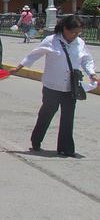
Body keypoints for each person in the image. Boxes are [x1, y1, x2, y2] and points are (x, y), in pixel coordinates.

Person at [10, 15, 97, 157]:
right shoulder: (52, 41)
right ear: (65, 29)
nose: (75, 35)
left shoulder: (79, 43)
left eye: (78, 32)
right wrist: (18, 67)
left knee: (68, 117)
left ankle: (66, 148)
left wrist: (92, 73)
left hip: (70, 87)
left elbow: (86, 59)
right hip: (52, 86)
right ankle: (36, 140)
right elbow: (34, 55)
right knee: (46, 114)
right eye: (73, 32)